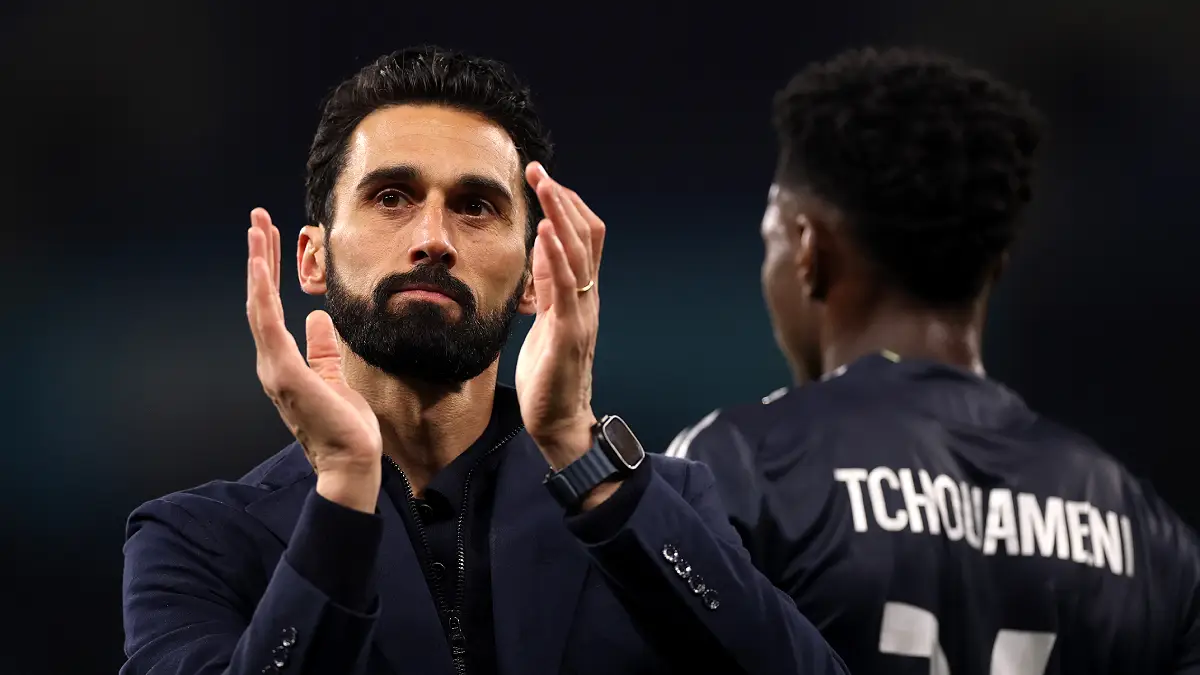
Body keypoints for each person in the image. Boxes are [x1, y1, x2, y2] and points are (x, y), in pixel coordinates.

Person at [120, 45, 847, 675]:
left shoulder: (663, 506)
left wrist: (576, 445)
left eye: (475, 206)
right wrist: (343, 494)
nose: (433, 236)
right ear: (313, 257)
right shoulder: (197, 540)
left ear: (535, 275)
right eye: (392, 196)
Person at [668, 46, 1200, 675]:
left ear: (809, 251)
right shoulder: (1151, 538)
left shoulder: (735, 467)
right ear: (993, 268)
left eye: (772, 241)